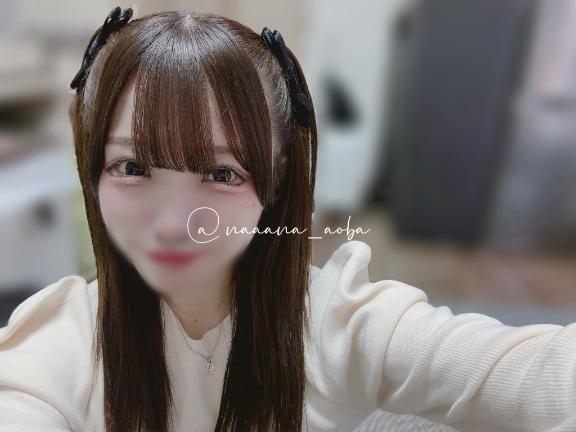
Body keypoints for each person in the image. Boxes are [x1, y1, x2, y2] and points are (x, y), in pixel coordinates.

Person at [0, 7, 575, 432]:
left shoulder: (337, 324)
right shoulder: (61, 341)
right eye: (131, 167)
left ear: (276, 179)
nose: (173, 222)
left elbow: (537, 375)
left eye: (221, 173)